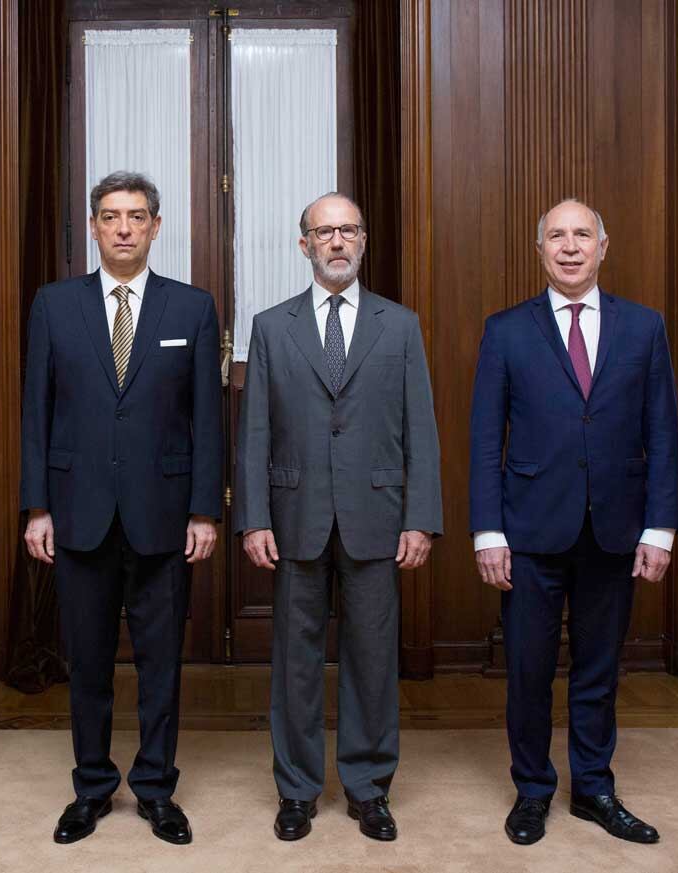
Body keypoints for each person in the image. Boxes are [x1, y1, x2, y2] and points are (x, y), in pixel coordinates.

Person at [20, 171, 222, 846]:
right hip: (77, 513)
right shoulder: (54, 304)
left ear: (156, 226)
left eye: (137, 216)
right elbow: (36, 416)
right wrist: (36, 507)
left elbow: (208, 420)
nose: (125, 227)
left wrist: (204, 510)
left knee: (161, 662)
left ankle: (157, 788)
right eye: (112, 216)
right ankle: (92, 786)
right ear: (94, 226)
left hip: (165, 516)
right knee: (89, 661)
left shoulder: (191, 307)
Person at [469, 198, 678, 846]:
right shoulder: (505, 330)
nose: (568, 245)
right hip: (529, 531)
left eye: (580, 234)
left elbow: (663, 433)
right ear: (540, 251)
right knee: (529, 671)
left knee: (598, 669)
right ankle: (533, 790)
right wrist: (488, 530)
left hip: (615, 529)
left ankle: (593, 788)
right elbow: (483, 439)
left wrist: (660, 527)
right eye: (556, 236)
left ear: (602, 246)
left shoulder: (644, 328)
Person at [234, 193, 443, 843]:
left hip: (378, 515)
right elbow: (256, 430)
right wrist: (254, 518)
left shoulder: (399, 325)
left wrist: (421, 518)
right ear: (304, 245)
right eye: (324, 231)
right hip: (294, 513)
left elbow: (421, 429)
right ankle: (296, 789)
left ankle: (368, 787)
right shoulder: (272, 327)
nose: (337, 241)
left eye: (348, 229)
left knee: (373, 657)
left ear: (364, 240)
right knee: (294, 663)